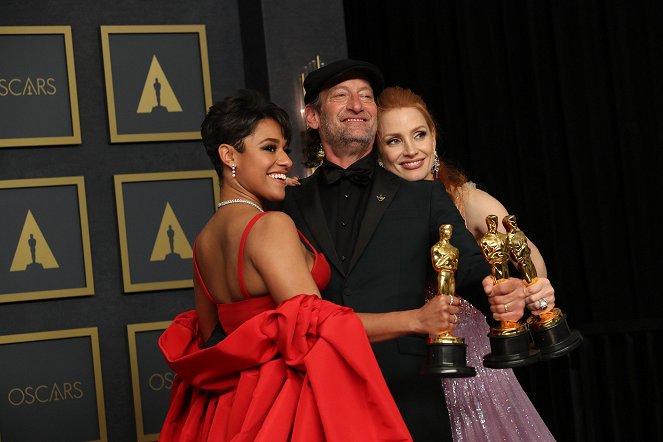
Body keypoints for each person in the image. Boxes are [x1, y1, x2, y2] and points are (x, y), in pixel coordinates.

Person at [274, 59, 529, 441]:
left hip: (407, 394)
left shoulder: (423, 197)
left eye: (366, 97)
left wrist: (503, 290)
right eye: (341, 96)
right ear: (312, 116)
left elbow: (472, 271)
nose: (357, 105)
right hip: (315, 392)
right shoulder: (286, 204)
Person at [157, 89, 412, 441]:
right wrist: (415, 319)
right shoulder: (269, 226)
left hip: (229, 413)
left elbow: (212, 339)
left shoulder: (204, 241)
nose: (286, 160)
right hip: (285, 406)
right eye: (269, 148)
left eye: (285, 149)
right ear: (229, 155)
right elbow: (317, 325)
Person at [376, 85, 557, 441]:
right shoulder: (376, 215)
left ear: (434, 138)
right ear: (378, 150)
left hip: (475, 374)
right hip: (405, 374)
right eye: (394, 140)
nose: (411, 150)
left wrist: (529, 294)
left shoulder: (465, 200)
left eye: (419, 134)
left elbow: (528, 256)